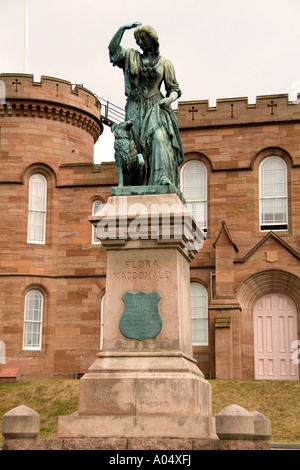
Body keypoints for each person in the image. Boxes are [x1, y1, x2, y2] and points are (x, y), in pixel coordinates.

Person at [108, 22, 184, 188]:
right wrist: (122, 29)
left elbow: (175, 89)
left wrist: (169, 99)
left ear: (152, 39)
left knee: (159, 138)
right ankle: (137, 184)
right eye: (137, 40)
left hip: (157, 107)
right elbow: (113, 50)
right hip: (135, 106)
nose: (140, 42)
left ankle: (162, 177)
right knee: (135, 146)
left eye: (143, 38)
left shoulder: (165, 64)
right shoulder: (131, 57)